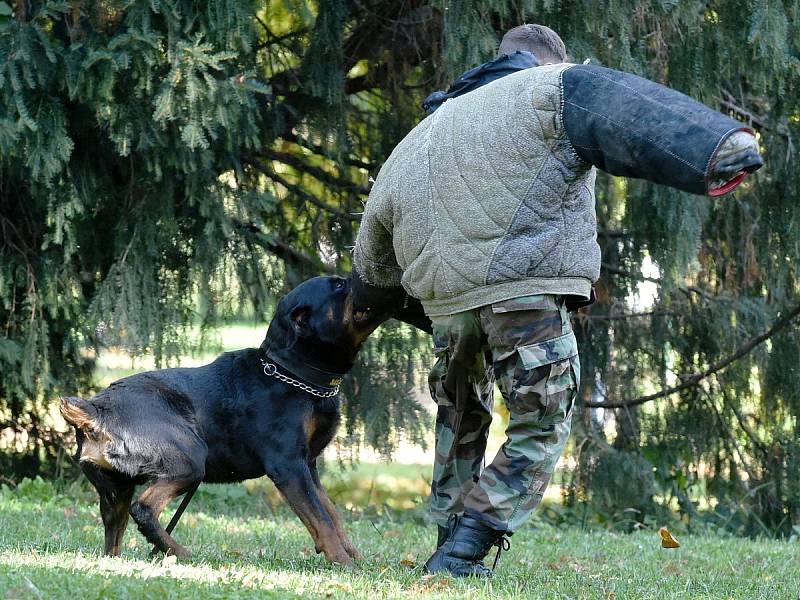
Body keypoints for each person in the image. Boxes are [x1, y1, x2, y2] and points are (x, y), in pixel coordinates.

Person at [351, 24, 763, 578]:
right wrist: (721, 149)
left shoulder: (418, 137)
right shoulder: (550, 88)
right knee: (541, 421)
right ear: (548, 61)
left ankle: (449, 536)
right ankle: (465, 552)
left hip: (446, 306)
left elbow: (373, 262)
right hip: (522, 291)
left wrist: (380, 306)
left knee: (459, 420)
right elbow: (620, 108)